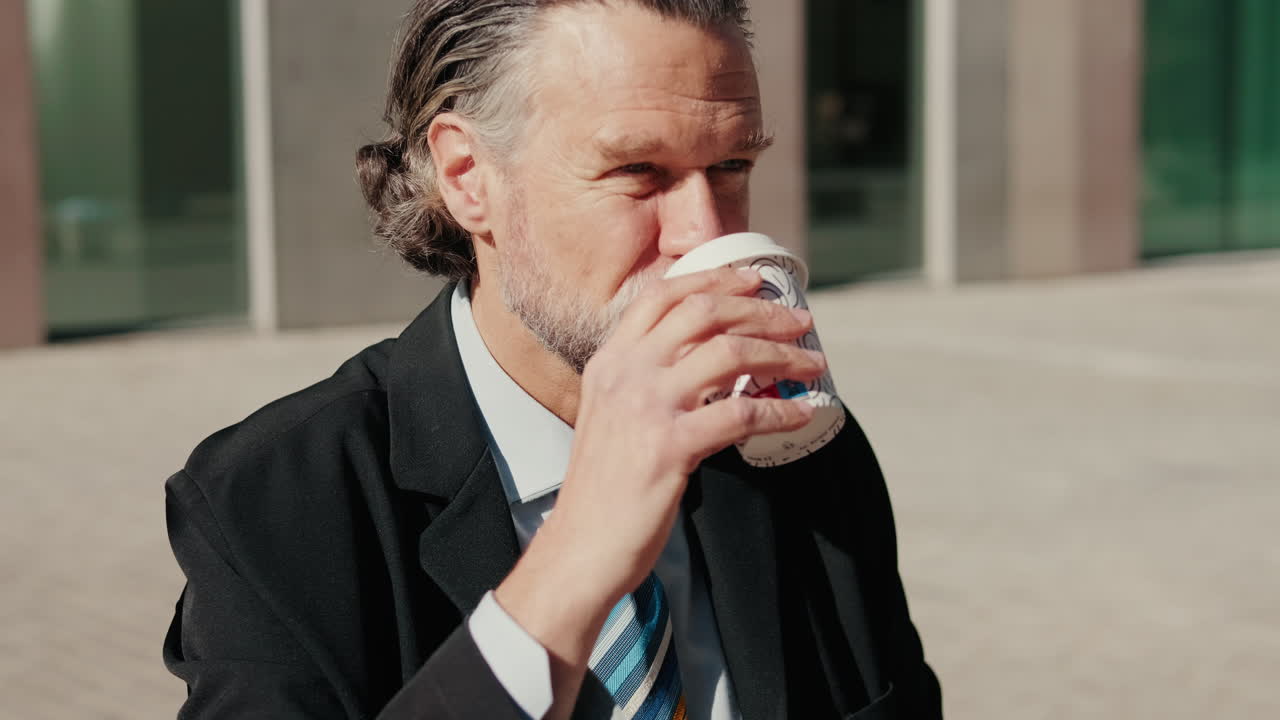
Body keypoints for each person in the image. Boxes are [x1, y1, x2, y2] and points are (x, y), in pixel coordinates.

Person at [162, 1, 942, 718]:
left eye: (731, 167)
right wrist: (575, 558)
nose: (702, 236)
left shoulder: (794, 451)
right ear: (468, 178)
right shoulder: (277, 504)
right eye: (639, 172)